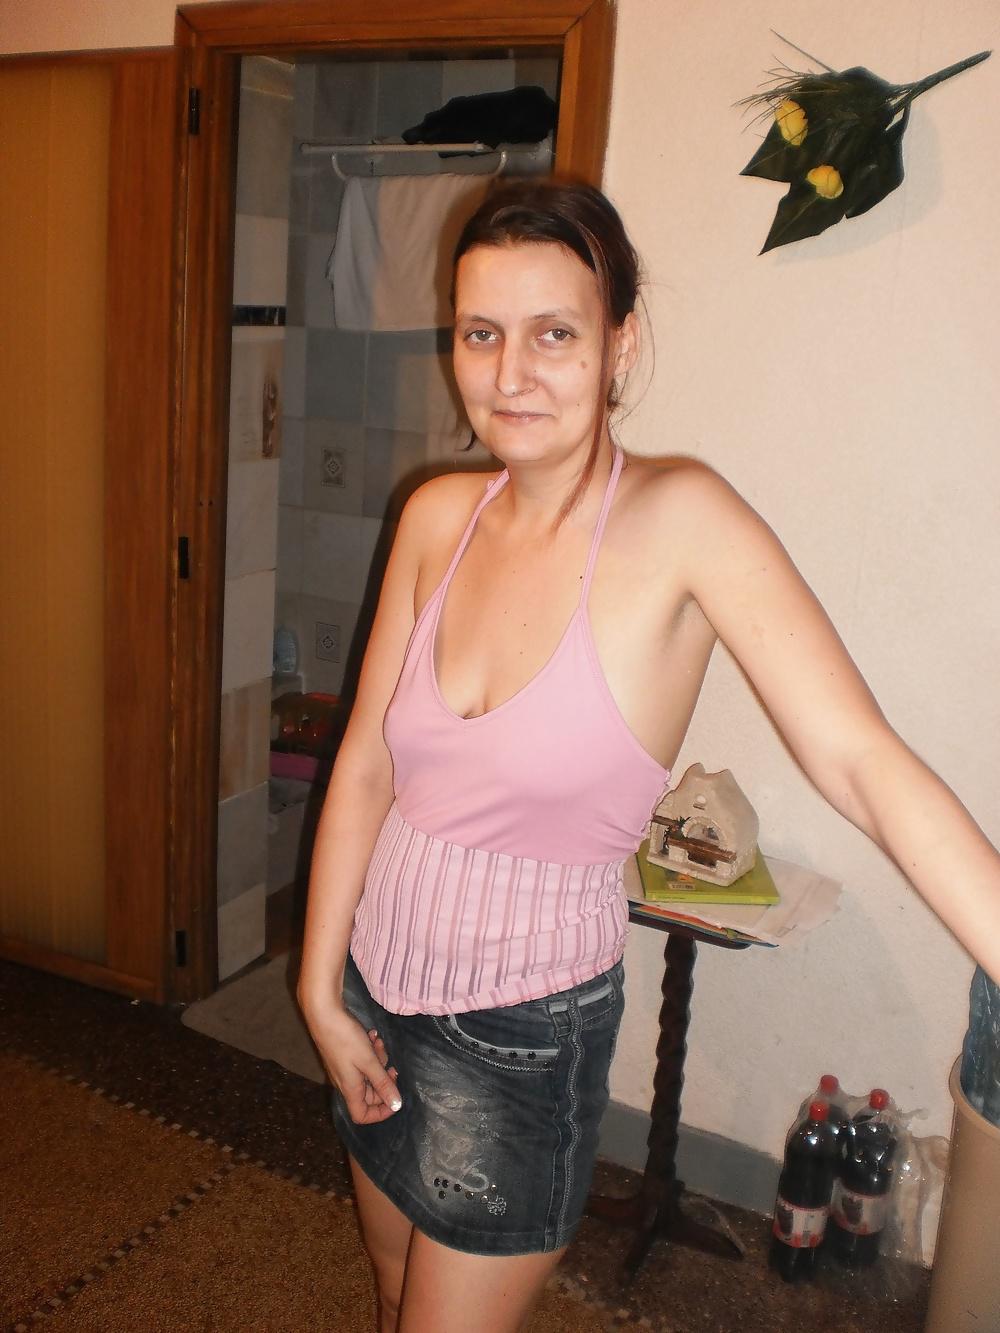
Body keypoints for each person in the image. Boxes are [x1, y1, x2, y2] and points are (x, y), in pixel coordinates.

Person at [297, 179, 1000, 1332]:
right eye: (480, 333)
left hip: (520, 1041)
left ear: (619, 343)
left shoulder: (682, 521)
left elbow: (860, 759)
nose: (510, 373)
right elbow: (368, 769)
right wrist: (320, 987)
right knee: (386, 1291)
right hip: (376, 990)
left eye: (553, 334)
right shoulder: (435, 516)